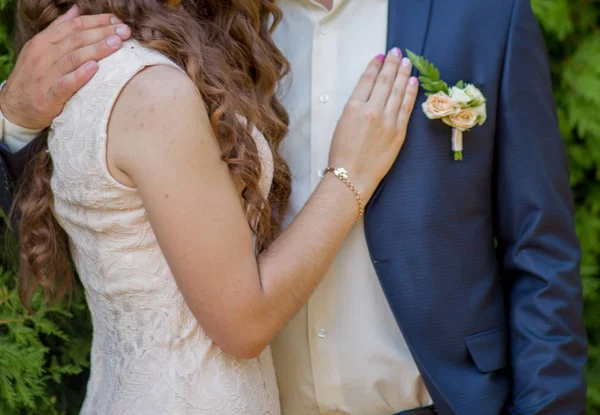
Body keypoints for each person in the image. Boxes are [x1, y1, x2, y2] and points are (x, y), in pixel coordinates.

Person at [0, 0, 587, 414]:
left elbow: (540, 251)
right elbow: (92, 199)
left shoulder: (485, 14)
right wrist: (12, 120)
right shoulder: (216, 33)